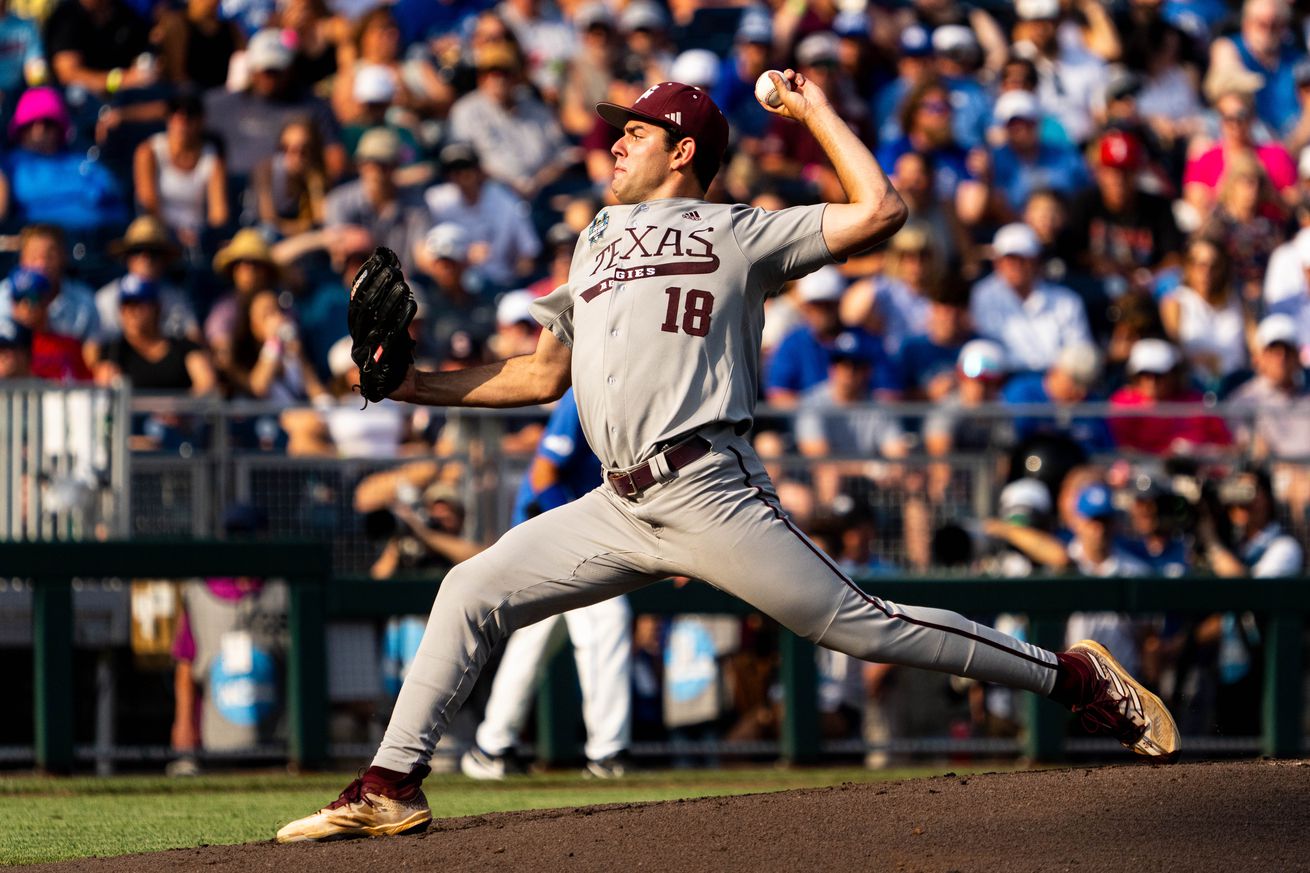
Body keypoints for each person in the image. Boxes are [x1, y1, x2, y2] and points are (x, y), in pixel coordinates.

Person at [277, 74, 1178, 843]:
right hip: (617, 503)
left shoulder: (737, 231)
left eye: (635, 130)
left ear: (682, 152)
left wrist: (816, 112)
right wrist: (410, 385)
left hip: (709, 486)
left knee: (861, 624)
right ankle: (390, 786)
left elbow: (881, 210)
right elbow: (539, 373)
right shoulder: (593, 238)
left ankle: (1072, 676)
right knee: (469, 588)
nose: (615, 142)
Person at [460, 388, 633, 780]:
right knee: (607, 618)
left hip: (568, 535)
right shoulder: (588, 391)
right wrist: (584, 532)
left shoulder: (634, 387)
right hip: (552, 534)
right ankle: (608, 753)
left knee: (535, 640)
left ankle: (491, 747)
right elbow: (542, 475)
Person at [969, 222, 1092, 373]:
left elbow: (1080, 351)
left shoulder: (1067, 301)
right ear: (997, 263)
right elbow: (987, 347)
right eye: (1010, 258)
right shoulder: (982, 295)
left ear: (1037, 261)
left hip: (1057, 382)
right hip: (1004, 381)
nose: (1016, 265)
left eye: (1024, 258)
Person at [133, 91, 229, 250]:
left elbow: (218, 213)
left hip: (196, 237)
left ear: (201, 121)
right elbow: (148, 203)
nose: (181, 120)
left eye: (189, 115)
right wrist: (174, 234)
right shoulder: (148, 151)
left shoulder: (212, 157)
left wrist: (206, 237)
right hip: (155, 234)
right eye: (174, 113)